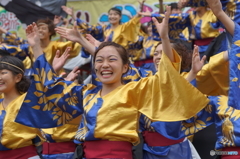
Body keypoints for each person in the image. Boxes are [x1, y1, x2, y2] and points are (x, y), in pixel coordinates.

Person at [15, 6, 209, 159]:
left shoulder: (134, 89)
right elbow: (51, 86)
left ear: (126, 68)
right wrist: (37, 48)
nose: (104, 65)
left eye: (112, 60)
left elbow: (167, 79)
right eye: (99, 60)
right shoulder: (86, 93)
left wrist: (164, 38)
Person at [0, 54, 44, 158]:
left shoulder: (28, 101)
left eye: (3, 73)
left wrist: (36, 46)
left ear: (18, 77)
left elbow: (43, 88)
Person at [62, 5, 142, 49]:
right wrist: (74, 16)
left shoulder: (124, 27)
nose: (112, 16)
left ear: (120, 17)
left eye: (115, 14)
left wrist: (139, 12)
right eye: (110, 14)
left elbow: (133, 22)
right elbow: (89, 28)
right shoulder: (104, 29)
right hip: (105, 56)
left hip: (120, 56)